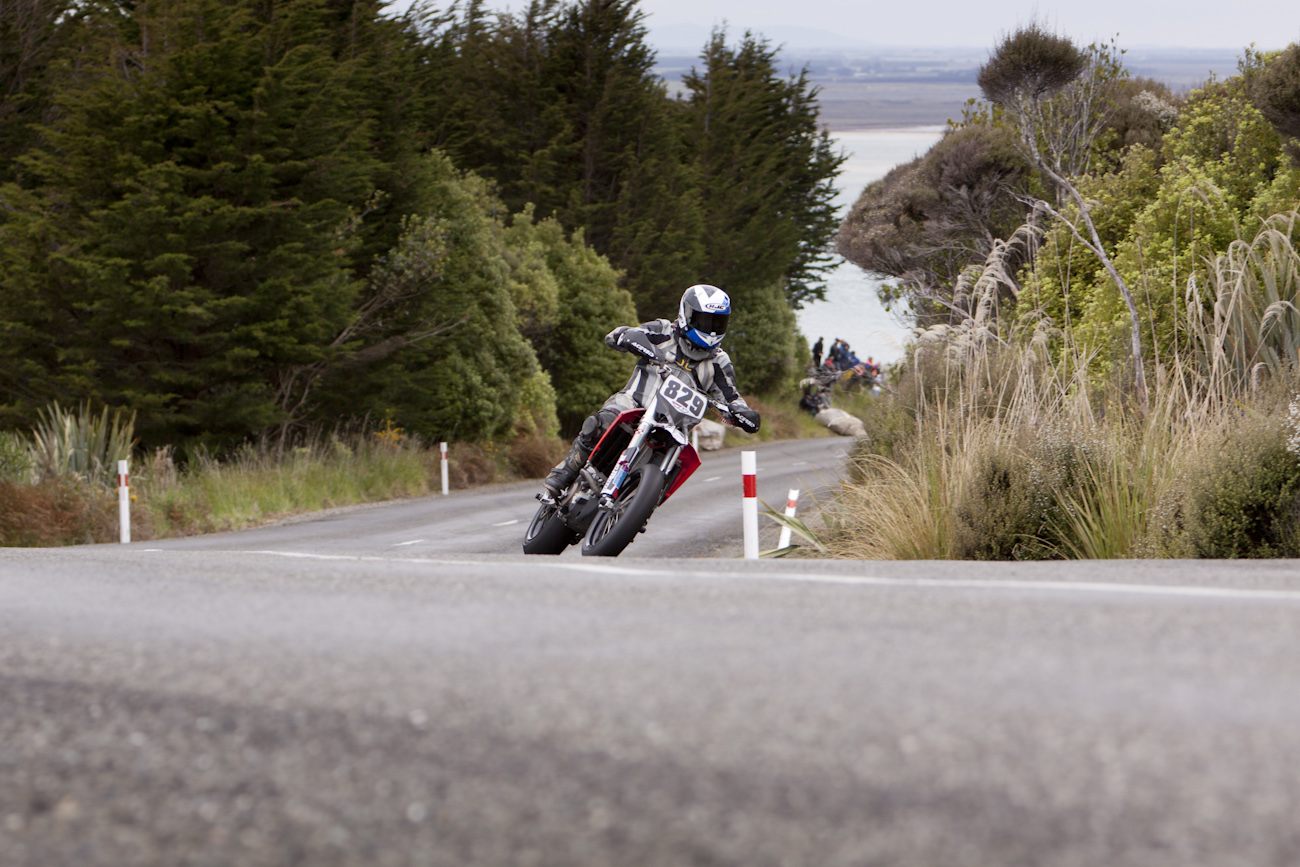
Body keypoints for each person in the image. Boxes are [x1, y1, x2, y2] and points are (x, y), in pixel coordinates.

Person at [542, 284, 762, 498]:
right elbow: (616, 335)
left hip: (675, 428)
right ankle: (562, 475)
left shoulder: (719, 361)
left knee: (676, 466)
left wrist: (743, 413)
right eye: (705, 320)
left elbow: (731, 396)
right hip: (633, 404)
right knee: (601, 423)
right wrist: (628, 337)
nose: (711, 328)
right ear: (687, 314)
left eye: (718, 322)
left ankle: (639, 506)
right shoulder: (664, 330)